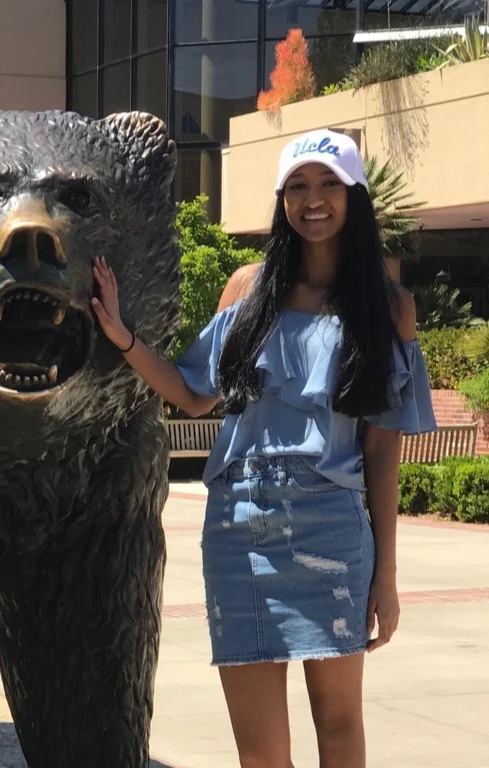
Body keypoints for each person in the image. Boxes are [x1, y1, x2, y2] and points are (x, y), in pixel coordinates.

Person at [91, 128, 436, 768]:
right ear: (280, 201)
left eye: (330, 184)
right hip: (240, 526)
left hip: (334, 525)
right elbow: (195, 397)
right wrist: (123, 337)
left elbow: (382, 449)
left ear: (354, 194)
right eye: (297, 187)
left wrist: (385, 577)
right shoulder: (247, 290)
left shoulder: (390, 308)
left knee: (339, 727)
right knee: (260, 751)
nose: (314, 200)